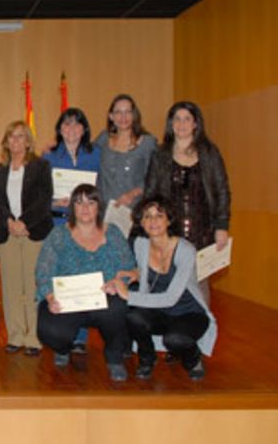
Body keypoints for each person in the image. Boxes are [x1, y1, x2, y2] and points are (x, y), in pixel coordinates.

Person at [35, 184, 136, 382]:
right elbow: (43, 271)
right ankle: (63, 348)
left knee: (119, 307)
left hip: (105, 300)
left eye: (91, 202)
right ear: (72, 207)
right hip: (68, 302)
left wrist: (117, 282)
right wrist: (50, 296)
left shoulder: (113, 233)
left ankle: (114, 357)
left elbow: (128, 266)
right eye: (79, 202)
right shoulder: (58, 235)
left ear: (99, 206)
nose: (85, 208)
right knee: (51, 331)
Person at [109, 196, 216, 381]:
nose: (153, 221)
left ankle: (193, 359)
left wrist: (128, 295)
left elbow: (170, 298)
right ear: (141, 222)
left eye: (159, 215)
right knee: (133, 317)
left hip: (189, 313)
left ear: (169, 220)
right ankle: (147, 359)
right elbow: (147, 273)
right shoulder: (141, 243)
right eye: (147, 216)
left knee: (174, 340)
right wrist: (135, 273)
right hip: (159, 311)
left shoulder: (186, 250)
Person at [144, 101, 231, 303]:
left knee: (199, 287)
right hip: (168, 233)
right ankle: (172, 333)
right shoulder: (160, 155)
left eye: (187, 119)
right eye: (177, 119)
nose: (181, 124)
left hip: (203, 231)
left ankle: (203, 330)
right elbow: (150, 194)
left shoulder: (209, 153)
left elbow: (222, 191)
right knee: (169, 285)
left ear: (195, 124)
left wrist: (222, 226)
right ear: (170, 124)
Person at [0, 121, 53, 356]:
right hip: (8, 233)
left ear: (28, 141)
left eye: (21, 137)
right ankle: (15, 335)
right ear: (6, 142)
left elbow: (44, 200)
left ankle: (34, 336)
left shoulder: (41, 166)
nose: (16, 141)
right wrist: (8, 222)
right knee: (11, 286)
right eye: (11, 137)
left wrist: (24, 222)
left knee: (33, 285)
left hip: (33, 232)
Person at [43, 108, 101, 353]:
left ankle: (80, 337)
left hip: (88, 226)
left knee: (85, 276)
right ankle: (64, 336)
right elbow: (38, 197)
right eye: (66, 125)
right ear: (59, 129)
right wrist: (54, 203)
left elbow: (102, 189)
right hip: (59, 224)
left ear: (84, 129)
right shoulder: (49, 157)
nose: (72, 129)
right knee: (63, 278)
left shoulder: (96, 154)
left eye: (77, 125)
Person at [94, 94, 157, 208]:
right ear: (111, 116)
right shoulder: (103, 138)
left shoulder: (147, 143)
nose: (123, 117)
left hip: (134, 209)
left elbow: (154, 178)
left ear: (134, 115)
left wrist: (132, 194)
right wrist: (55, 145)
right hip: (104, 211)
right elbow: (84, 154)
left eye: (128, 111)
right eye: (118, 112)